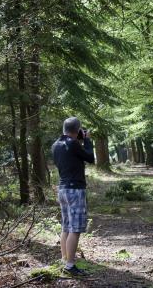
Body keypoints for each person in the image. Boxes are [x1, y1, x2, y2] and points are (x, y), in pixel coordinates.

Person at [52, 117, 94, 276]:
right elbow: (90, 158)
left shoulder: (55, 145)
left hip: (62, 189)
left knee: (66, 226)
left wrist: (79, 139)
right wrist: (87, 140)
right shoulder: (73, 143)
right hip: (75, 189)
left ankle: (64, 260)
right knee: (75, 229)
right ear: (77, 130)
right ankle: (70, 265)